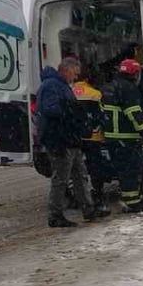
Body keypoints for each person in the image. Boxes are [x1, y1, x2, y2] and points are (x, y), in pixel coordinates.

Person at [39, 59, 99, 227]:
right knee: (62, 179)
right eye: (75, 72)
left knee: (80, 175)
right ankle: (55, 215)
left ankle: (89, 209)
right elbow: (50, 110)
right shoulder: (52, 86)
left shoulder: (61, 85)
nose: (76, 75)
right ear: (66, 70)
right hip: (59, 140)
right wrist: (71, 110)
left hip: (70, 139)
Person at [102, 58, 143, 213]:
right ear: (134, 73)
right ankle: (132, 202)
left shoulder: (109, 86)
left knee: (124, 170)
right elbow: (134, 114)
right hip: (126, 136)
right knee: (131, 170)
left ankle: (133, 199)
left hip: (113, 137)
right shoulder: (129, 88)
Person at [69, 62, 111, 214]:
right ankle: (98, 195)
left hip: (75, 138)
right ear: (87, 78)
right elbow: (102, 116)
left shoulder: (68, 92)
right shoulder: (95, 94)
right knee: (95, 168)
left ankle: (76, 197)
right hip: (93, 138)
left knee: (76, 169)